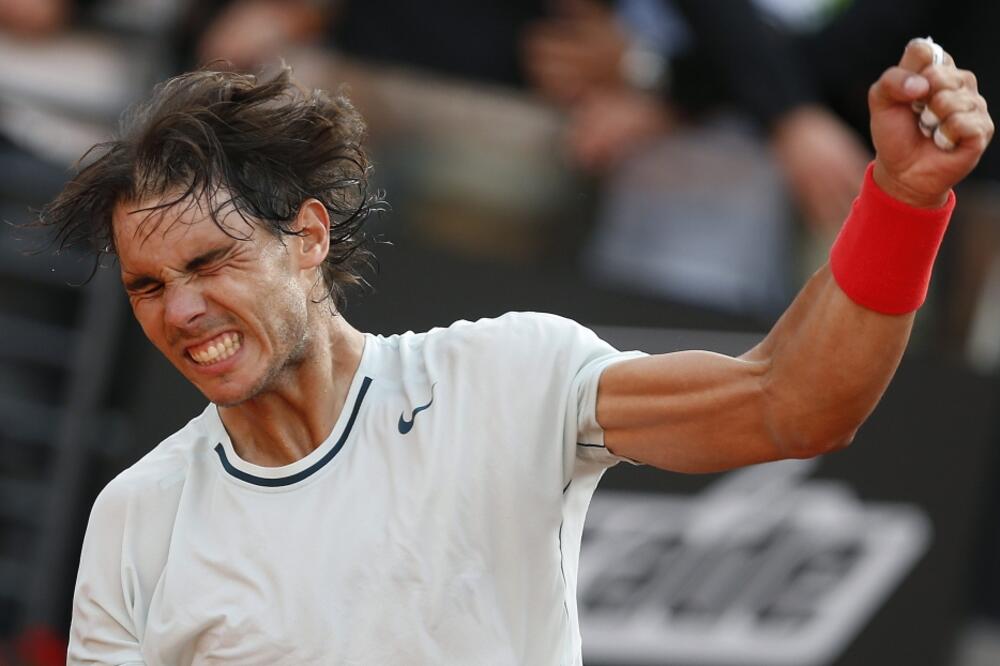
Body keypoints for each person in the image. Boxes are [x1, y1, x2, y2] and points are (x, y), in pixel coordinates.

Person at [45, 38, 990, 664]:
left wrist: (901, 204)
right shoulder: (137, 518)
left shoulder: (503, 376)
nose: (183, 310)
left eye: (210, 262)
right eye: (148, 285)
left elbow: (792, 404)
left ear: (309, 236)